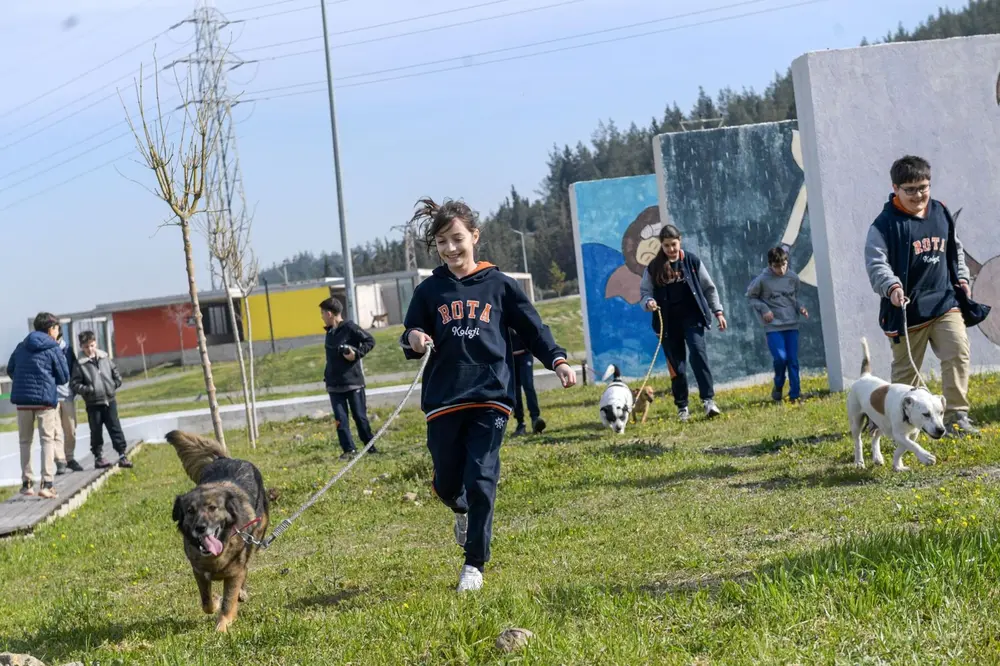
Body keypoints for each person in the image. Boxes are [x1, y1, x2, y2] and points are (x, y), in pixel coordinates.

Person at [400, 197, 576, 593]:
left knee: (481, 477)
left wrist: (558, 360)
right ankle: (459, 506)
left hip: (490, 396)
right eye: (442, 242)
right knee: (448, 483)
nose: (450, 248)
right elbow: (410, 332)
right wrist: (414, 337)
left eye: (457, 238)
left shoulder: (500, 285)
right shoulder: (429, 291)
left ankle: (474, 565)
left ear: (474, 236)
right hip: (444, 400)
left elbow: (533, 329)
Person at [864, 154, 990, 436]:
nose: (918, 195)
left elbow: (955, 250)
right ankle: (894, 421)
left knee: (957, 352)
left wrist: (962, 278)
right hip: (907, 311)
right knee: (905, 377)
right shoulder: (884, 225)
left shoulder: (940, 212)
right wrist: (892, 287)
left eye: (923, 187)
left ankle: (956, 415)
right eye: (910, 190)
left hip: (945, 302)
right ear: (895, 188)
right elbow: (876, 264)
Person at [639, 224, 727, 422]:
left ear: (680, 241)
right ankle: (682, 407)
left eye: (674, 244)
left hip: (692, 318)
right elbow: (644, 293)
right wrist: (649, 302)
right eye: (666, 245)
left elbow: (709, 288)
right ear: (661, 245)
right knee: (676, 366)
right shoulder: (653, 267)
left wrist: (718, 312)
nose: (671, 249)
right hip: (668, 324)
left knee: (698, 354)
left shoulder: (691, 261)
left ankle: (708, 401)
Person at [7, 312, 70, 498]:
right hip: (45, 401)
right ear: (50, 329)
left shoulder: (21, 346)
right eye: (57, 328)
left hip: (22, 401)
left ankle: (27, 483)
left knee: (25, 441)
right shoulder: (53, 347)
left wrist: (24, 383)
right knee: (47, 440)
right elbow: (64, 376)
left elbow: (10, 369)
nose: (58, 332)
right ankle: (47, 484)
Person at [746, 246, 810, 403]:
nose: (781, 270)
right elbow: (751, 297)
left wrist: (800, 307)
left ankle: (795, 395)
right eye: (776, 266)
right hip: (773, 327)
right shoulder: (762, 280)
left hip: (791, 325)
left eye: (784, 265)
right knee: (781, 358)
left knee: (793, 360)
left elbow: (793, 298)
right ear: (769, 265)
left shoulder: (793, 278)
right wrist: (764, 309)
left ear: (787, 262)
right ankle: (779, 384)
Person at [320, 296, 378, 460]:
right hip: (334, 384)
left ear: (329, 314)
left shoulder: (350, 327)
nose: (322, 317)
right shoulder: (329, 332)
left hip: (353, 383)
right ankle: (349, 450)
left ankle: (370, 447)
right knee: (340, 419)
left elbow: (370, 341)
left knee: (359, 417)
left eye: (322, 313)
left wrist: (356, 354)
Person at [71, 330, 132, 469]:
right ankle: (98, 457)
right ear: (81, 347)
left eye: (92, 345)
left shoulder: (104, 357)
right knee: (96, 430)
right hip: (93, 403)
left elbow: (115, 372)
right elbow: (75, 384)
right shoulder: (79, 364)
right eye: (86, 347)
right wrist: (88, 390)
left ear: (95, 343)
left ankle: (122, 455)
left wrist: (114, 384)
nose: (89, 349)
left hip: (110, 400)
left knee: (115, 427)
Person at [55, 331, 84, 474]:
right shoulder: (45, 351)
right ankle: (60, 461)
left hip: (67, 396)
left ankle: (70, 458)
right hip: (51, 398)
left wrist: (75, 388)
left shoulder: (68, 350)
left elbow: (75, 370)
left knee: (70, 430)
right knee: (55, 432)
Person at [508, 328, 546, 437]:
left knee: (528, 385)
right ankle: (520, 423)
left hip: (525, 355)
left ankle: (535, 419)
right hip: (510, 357)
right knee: (515, 390)